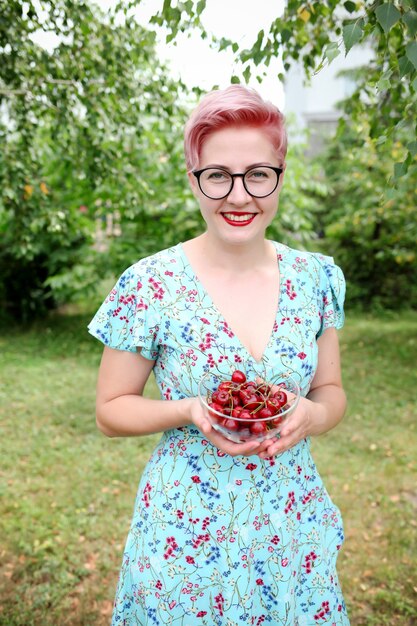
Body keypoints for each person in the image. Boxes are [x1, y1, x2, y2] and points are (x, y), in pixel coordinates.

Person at [88, 84, 350, 626]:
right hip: (186, 535)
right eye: (217, 175)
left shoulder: (313, 279)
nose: (238, 196)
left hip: (290, 525)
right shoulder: (151, 284)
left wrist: (314, 415)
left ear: (280, 173)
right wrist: (187, 410)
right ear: (194, 180)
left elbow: (331, 393)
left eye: (257, 173)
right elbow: (111, 409)